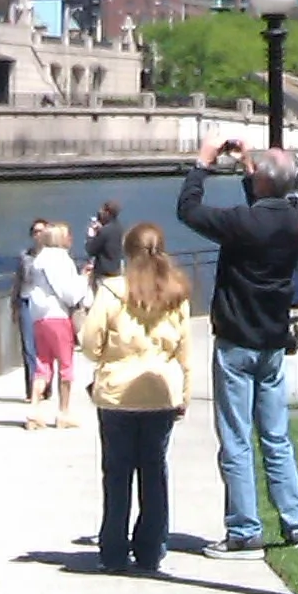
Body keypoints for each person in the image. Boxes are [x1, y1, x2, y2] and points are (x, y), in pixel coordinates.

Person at [177, 135, 298, 556]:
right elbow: (262, 202)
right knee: (276, 435)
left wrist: (202, 165)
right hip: (272, 341)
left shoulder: (241, 223)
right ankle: (295, 522)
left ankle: (244, 530)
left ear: (262, 185)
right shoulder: (293, 219)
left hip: (236, 340)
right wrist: (249, 165)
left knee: (236, 437)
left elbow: (188, 211)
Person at [79, 222, 192, 574]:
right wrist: (185, 392)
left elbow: (89, 340)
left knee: (117, 472)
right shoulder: (177, 292)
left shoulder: (112, 291)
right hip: (160, 390)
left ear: (128, 253)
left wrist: (103, 359)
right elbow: (184, 350)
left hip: (117, 393)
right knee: (154, 470)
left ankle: (113, 550)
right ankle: (151, 547)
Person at [23, 220, 88, 429]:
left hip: (39, 317)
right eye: (68, 235)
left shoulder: (38, 260)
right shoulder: (60, 259)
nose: (71, 239)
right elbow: (69, 294)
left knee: (43, 365)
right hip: (57, 315)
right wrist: (84, 279)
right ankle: (64, 412)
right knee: (66, 365)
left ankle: (34, 410)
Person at [13, 219, 49, 401]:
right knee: (28, 346)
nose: (39, 235)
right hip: (26, 301)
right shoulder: (25, 256)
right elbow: (18, 280)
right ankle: (32, 389)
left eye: (42, 231)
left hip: (46, 305)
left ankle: (45, 385)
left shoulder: (54, 257)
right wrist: (14, 305)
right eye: (35, 231)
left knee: (45, 348)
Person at [85, 201, 124, 284]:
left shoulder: (105, 231)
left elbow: (90, 250)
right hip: (117, 271)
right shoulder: (120, 228)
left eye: (101, 212)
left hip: (104, 274)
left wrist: (91, 236)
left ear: (107, 212)